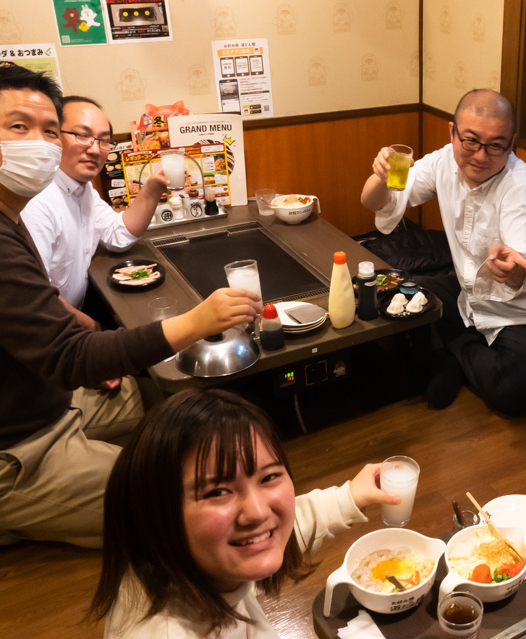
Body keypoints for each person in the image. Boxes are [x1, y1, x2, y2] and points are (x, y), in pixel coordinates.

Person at [0, 63, 260, 548]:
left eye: (48, 131)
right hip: (18, 445)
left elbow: (117, 235)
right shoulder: (27, 211)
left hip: (45, 392)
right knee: (182, 502)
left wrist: (154, 189)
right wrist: (196, 321)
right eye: (19, 127)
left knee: (160, 402)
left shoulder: (35, 202)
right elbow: (67, 351)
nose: (40, 143)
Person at [90, 389, 400, 637]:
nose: (257, 511)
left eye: (268, 477)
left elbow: (285, 527)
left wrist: (350, 496)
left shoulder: (197, 564)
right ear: (155, 514)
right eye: (218, 492)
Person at [360, 89, 526, 414]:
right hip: (467, 290)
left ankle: (450, 353)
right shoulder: (444, 161)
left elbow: (523, 268)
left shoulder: (523, 188)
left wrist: (511, 269)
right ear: (452, 133)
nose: (481, 156)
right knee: (389, 295)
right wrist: (379, 176)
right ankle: (458, 354)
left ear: (511, 143)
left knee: (514, 392)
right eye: (470, 140)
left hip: (523, 312)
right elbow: (380, 202)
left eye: (496, 145)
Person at [22, 96, 168, 317]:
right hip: (49, 324)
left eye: (103, 140)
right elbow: (34, 294)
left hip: (74, 310)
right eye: (82, 136)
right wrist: (91, 328)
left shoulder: (83, 188)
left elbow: (117, 235)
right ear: (53, 136)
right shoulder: (36, 201)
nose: (95, 149)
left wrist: (153, 189)